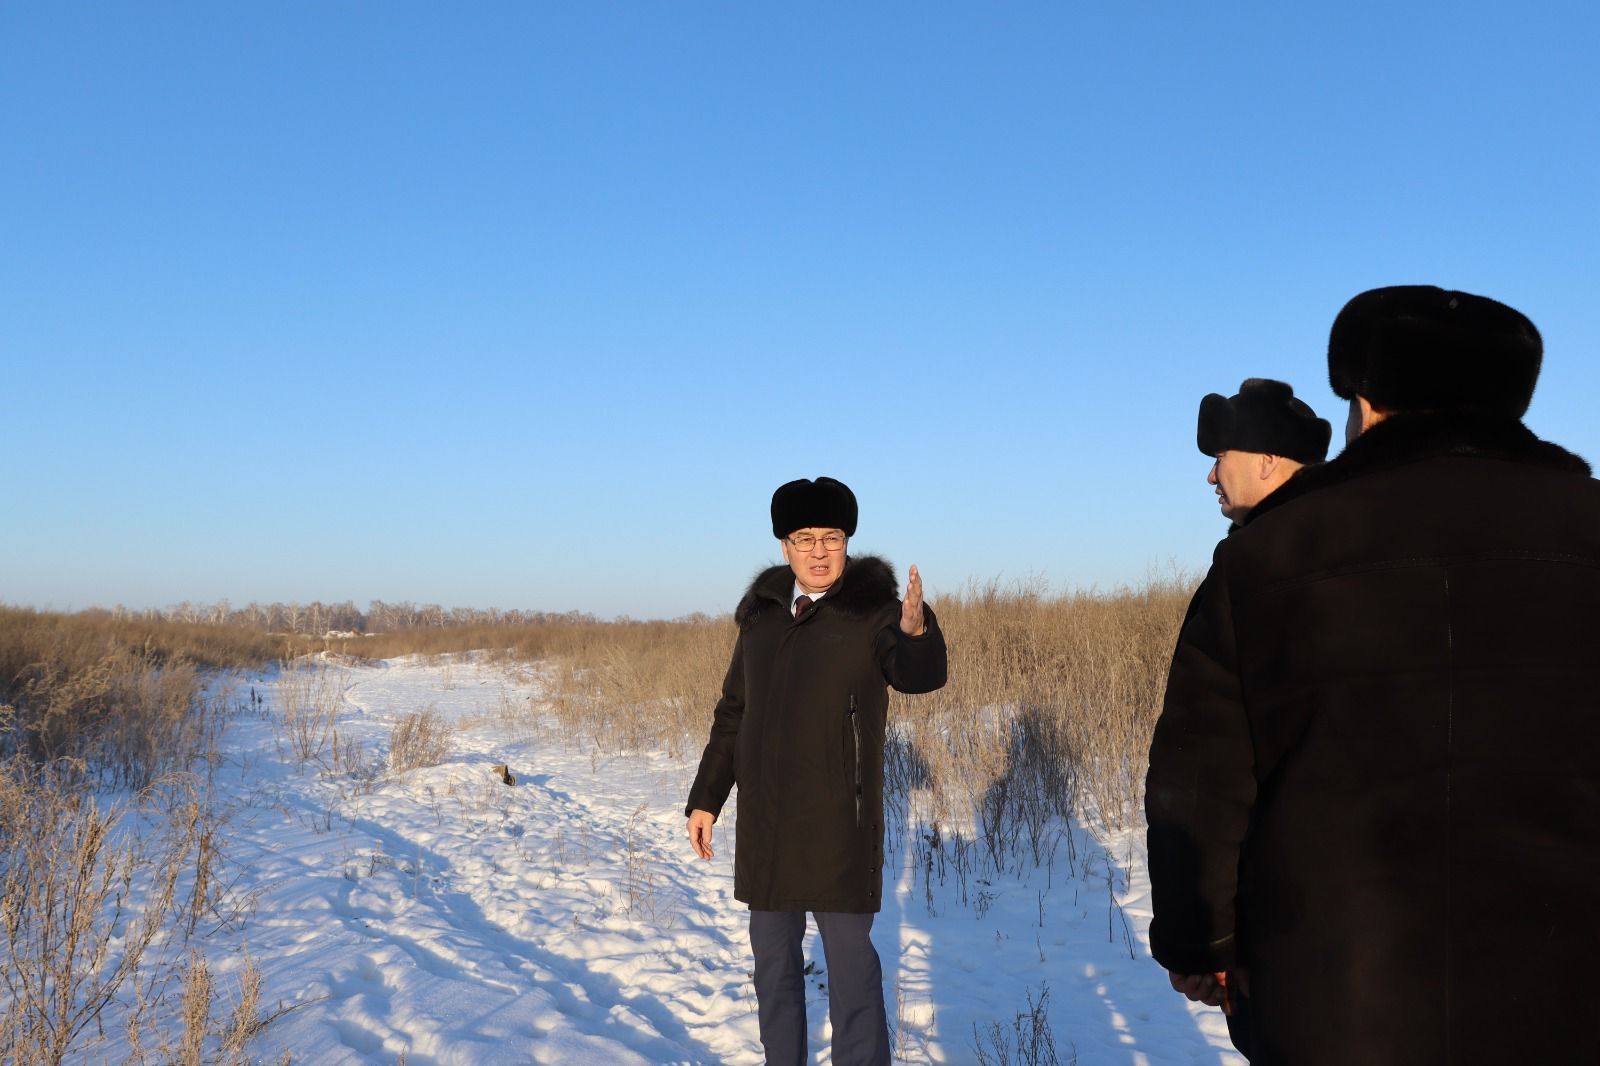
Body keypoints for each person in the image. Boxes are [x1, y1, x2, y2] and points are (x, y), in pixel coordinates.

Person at [1146, 286, 1600, 1064]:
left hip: (1337, 995)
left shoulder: (1268, 554)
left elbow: (1201, 776)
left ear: (1365, 402)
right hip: (1566, 991)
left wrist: (1201, 941)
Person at [684, 476, 948, 1066]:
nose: (819, 551)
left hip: (839, 826)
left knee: (853, 978)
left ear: (847, 542)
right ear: (785, 546)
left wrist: (916, 633)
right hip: (769, 824)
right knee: (773, 973)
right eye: (805, 539)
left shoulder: (875, 612)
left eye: (831, 537)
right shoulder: (761, 618)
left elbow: (918, 675)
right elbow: (734, 712)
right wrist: (706, 798)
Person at [1187, 376, 1329, 1055]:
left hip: (1284, 925)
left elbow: (1206, 771)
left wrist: (1202, 936)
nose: (1211, 475)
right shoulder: (1368, 551)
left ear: (1269, 460)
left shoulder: (1248, 572)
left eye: (1222, 457)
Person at [1198, 378, 1331, 525]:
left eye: (1220, 459)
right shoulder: (1337, 529)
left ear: (1267, 461)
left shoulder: (1319, 534)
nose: (1211, 478)